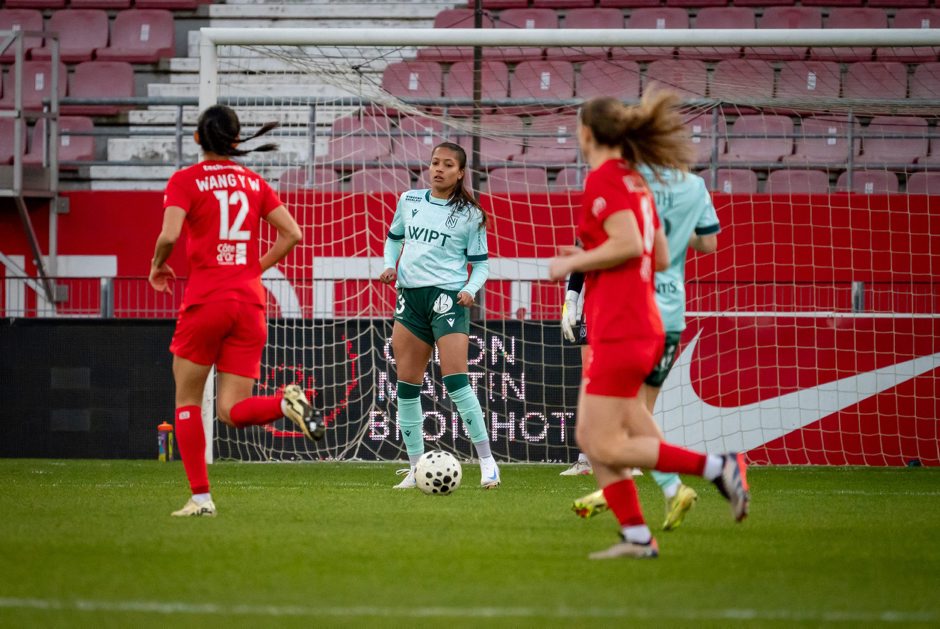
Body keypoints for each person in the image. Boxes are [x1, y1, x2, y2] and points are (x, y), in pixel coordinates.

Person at [547, 91, 748, 559]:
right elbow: (657, 253)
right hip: (638, 321)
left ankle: (718, 467)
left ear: (586, 133)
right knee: (592, 440)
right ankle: (637, 537)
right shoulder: (636, 182)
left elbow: (629, 244)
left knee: (605, 444)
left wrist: (574, 263)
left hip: (623, 325)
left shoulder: (605, 180)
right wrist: (599, 261)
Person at [149, 105, 324, 518]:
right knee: (230, 410)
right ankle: (284, 404)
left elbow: (169, 234)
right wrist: (251, 270)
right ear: (235, 139)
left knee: (188, 400)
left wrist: (157, 264)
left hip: (207, 300)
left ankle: (201, 499)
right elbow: (292, 233)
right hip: (249, 303)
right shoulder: (253, 182)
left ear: (197, 138)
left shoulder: (185, 180)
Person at [560, 166, 721, 533]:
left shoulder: (621, 186)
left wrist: (573, 291)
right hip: (666, 312)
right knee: (636, 408)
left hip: (624, 307)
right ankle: (645, 487)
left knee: (618, 405)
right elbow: (706, 244)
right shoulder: (692, 187)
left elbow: (594, 249)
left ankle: (703, 472)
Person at [379, 141, 500, 489]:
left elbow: (481, 265)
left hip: (447, 299)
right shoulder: (409, 200)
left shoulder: (472, 214)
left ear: (460, 173)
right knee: (406, 386)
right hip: (410, 298)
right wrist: (390, 264)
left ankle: (488, 462)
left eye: (448, 165)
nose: (439, 169)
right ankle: (415, 468)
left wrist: (470, 289)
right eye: (435, 163)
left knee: (456, 380)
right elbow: (393, 239)